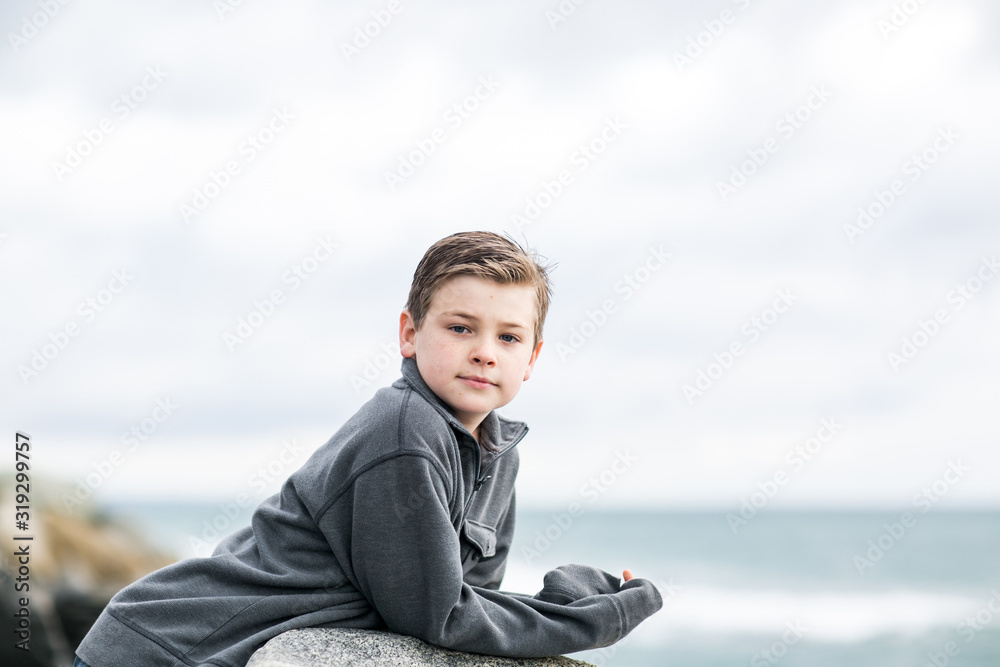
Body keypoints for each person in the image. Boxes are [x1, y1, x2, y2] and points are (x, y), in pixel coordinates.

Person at [73, 231, 663, 667]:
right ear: (410, 334)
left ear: (531, 358)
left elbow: (469, 600)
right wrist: (594, 617)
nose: (485, 351)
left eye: (508, 337)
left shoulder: (498, 451)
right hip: (165, 650)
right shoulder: (406, 434)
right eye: (461, 327)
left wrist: (563, 600)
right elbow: (439, 619)